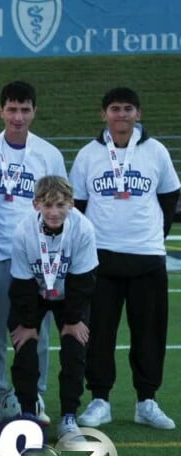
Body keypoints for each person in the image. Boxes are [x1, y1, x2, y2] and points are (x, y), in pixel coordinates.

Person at [69, 86, 180, 431]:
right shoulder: (89, 154)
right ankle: (100, 399)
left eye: (128, 108)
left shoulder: (156, 152)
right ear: (104, 115)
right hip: (101, 258)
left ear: (138, 113)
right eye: (115, 109)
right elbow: (79, 205)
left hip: (147, 257)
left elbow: (170, 196)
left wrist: (151, 236)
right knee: (99, 332)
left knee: (150, 332)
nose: (121, 114)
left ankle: (146, 401)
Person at [0, 81, 67, 424]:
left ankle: (33, 395)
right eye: (12, 109)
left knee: (37, 332)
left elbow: (59, 207)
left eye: (25, 110)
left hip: (37, 258)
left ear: (34, 111)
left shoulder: (49, 154)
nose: (18, 116)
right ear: (1, 111)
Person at [8, 176, 98, 442]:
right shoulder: (23, 231)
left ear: (71, 203)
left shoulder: (83, 229)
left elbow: (83, 281)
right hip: (33, 292)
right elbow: (22, 282)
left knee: (74, 348)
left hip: (70, 293)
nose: (54, 212)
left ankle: (69, 417)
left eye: (60, 204)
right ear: (36, 204)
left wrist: (73, 321)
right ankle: (28, 415)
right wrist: (28, 324)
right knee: (24, 347)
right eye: (47, 205)